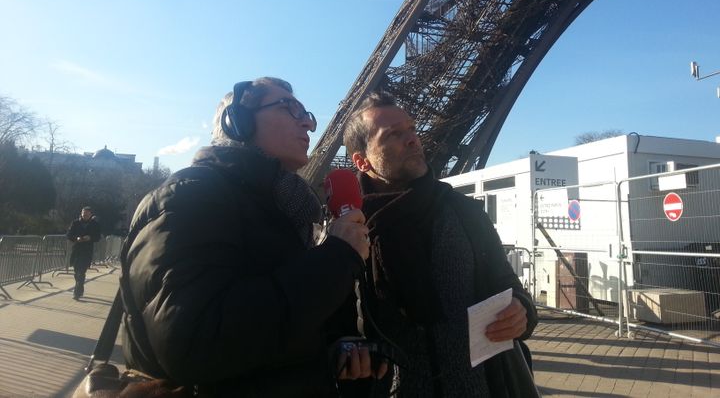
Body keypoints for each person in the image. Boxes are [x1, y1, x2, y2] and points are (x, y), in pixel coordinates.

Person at [121, 77, 383, 397]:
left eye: (307, 113)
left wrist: (338, 344)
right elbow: (195, 344)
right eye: (290, 107)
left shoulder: (290, 210)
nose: (308, 124)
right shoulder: (191, 196)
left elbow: (280, 326)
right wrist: (337, 256)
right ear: (237, 123)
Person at [343, 91, 538, 397]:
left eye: (411, 129)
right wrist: (345, 349)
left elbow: (507, 285)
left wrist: (521, 310)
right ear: (362, 161)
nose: (412, 139)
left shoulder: (465, 212)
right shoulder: (347, 229)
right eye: (393, 134)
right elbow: (334, 323)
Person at [66, 206, 102, 300]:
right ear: (81, 213)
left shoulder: (95, 224)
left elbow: (98, 237)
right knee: (76, 272)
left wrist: (90, 238)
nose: (84, 215)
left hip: (87, 251)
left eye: (86, 214)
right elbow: (69, 235)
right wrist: (76, 238)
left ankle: (76, 292)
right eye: (83, 214)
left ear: (90, 214)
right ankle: (80, 288)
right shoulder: (75, 223)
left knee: (81, 272)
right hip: (76, 250)